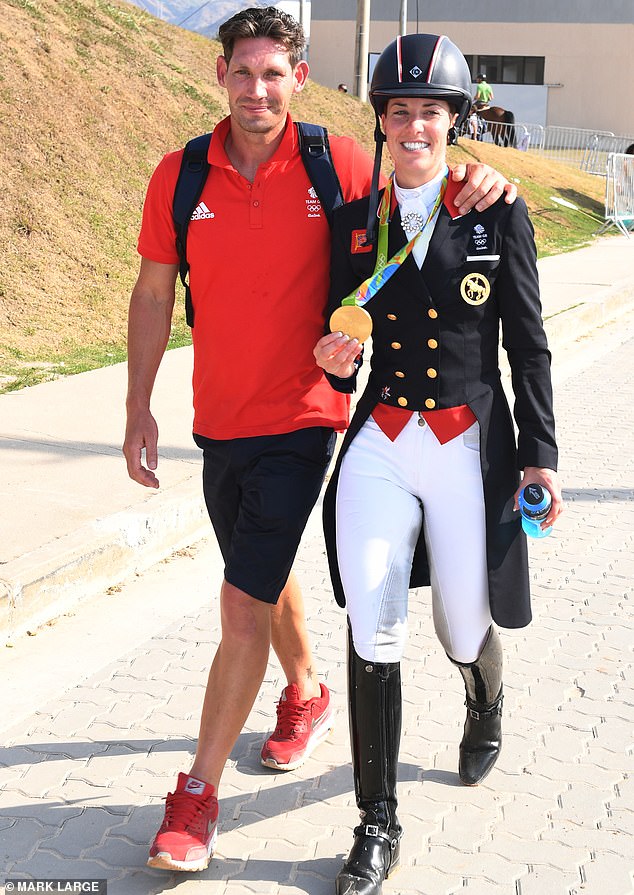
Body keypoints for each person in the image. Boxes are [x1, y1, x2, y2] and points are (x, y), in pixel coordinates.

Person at [123, 6, 517, 874]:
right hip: (217, 419)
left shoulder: (336, 161)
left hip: (308, 417)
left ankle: (196, 798)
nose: (257, 88)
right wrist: (137, 406)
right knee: (254, 581)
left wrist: (483, 177)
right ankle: (305, 693)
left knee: (239, 604)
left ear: (300, 80)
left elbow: (425, 182)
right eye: (242, 72)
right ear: (218, 74)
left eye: (275, 74)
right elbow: (153, 294)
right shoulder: (180, 174)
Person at [314, 33, 562, 895]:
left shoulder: (498, 211)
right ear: (381, 122)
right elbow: (330, 332)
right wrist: (330, 358)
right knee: (373, 625)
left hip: (466, 447)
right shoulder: (354, 225)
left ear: (454, 121)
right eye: (399, 110)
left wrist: (542, 457)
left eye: (431, 110)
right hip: (381, 443)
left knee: (463, 624)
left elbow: (529, 346)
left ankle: (484, 695)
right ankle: (375, 822)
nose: (414, 125)